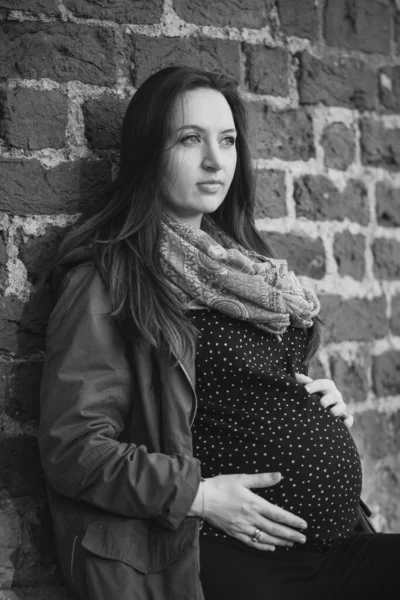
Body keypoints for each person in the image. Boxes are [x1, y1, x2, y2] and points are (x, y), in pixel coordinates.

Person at [38, 65, 399, 600]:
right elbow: (74, 449)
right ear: (148, 153)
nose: (215, 160)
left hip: (334, 546)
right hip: (221, 559)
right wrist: (200, 496)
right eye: (190, 139)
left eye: (226, 140)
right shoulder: (110, 279)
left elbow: (239, 387)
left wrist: (309, 395)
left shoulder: (241, 269)